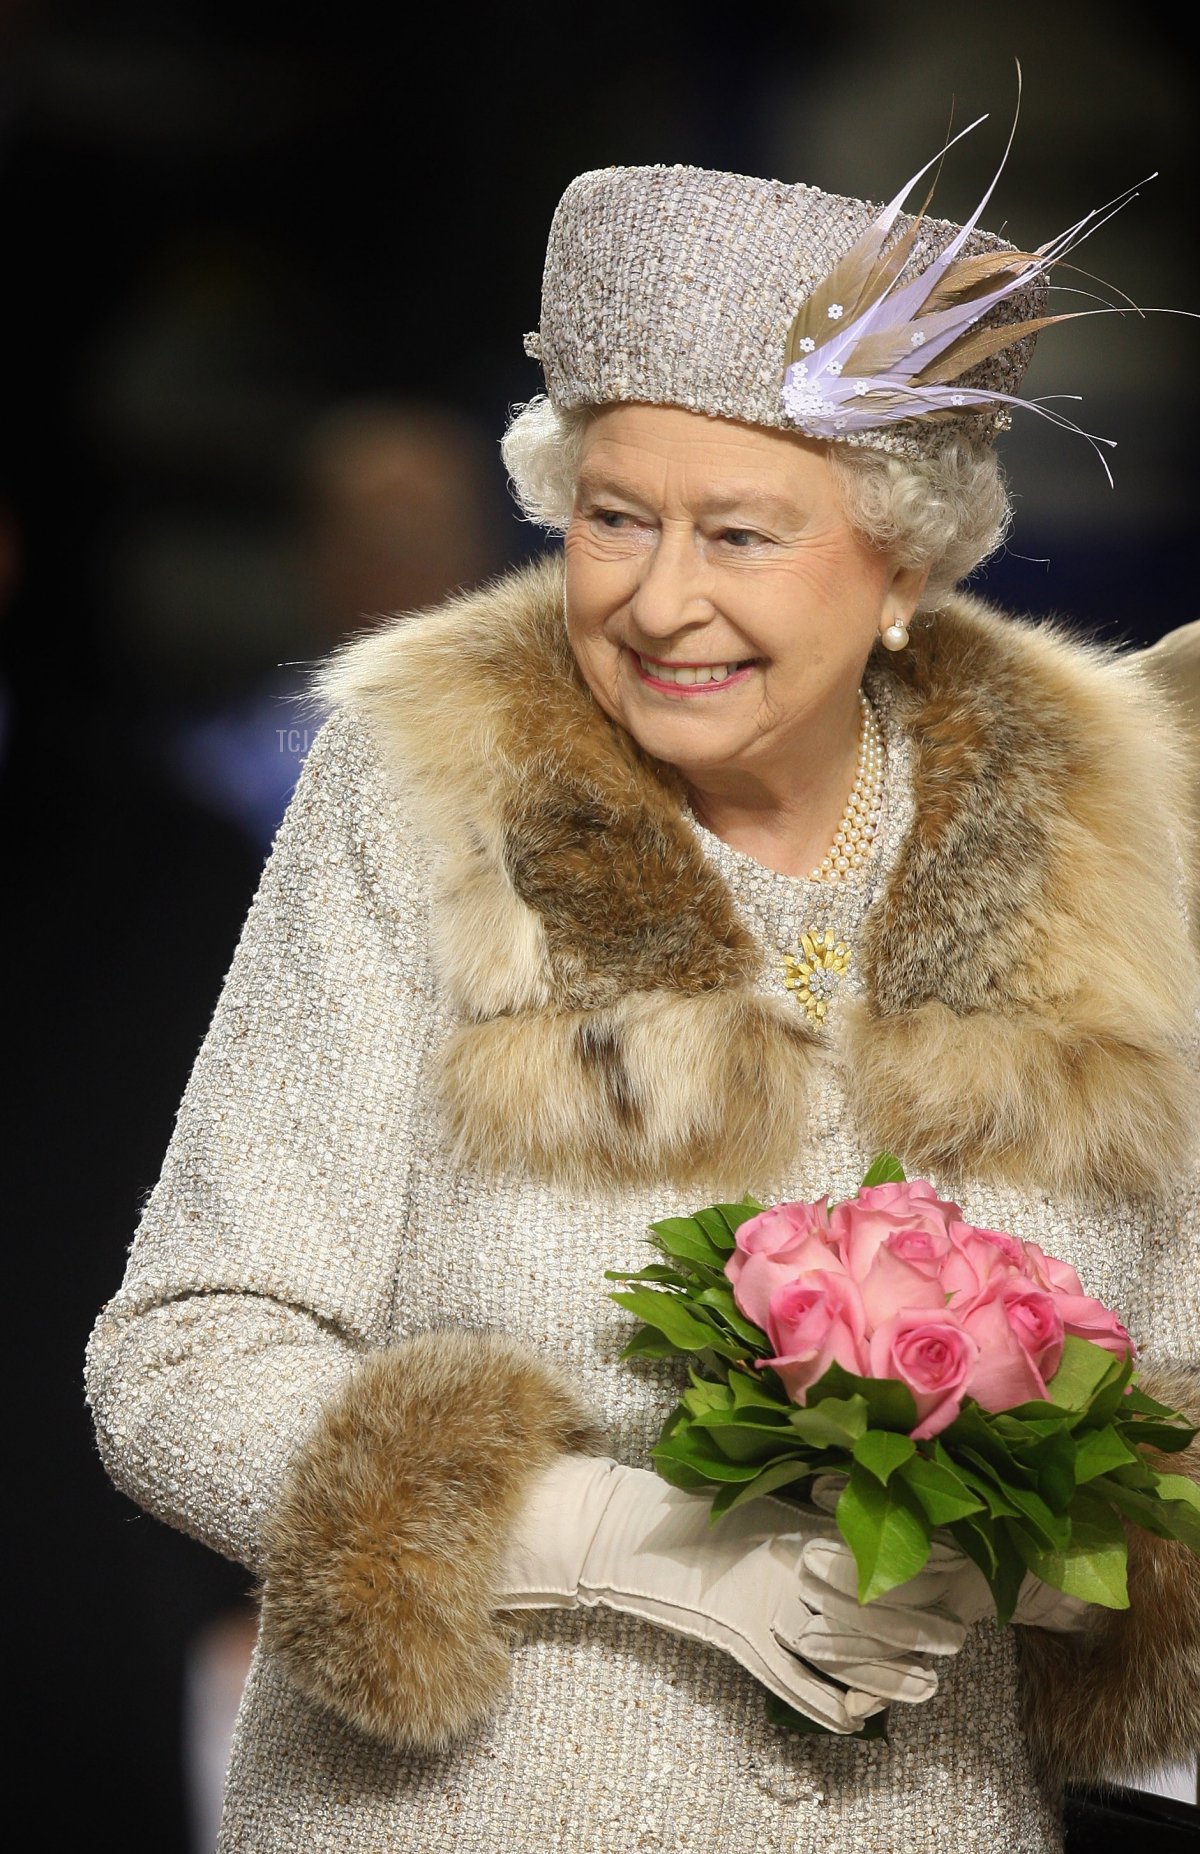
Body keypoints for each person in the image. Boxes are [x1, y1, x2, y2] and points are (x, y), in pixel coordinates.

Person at [84, 122, 1200, 1854]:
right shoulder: (432, 794)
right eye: (614, 517)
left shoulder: (1104, 842)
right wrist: (629, 1544)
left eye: (741, 534)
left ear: (901, 567)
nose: (660, 599)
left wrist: (1045, 1567)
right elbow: (181, 1356)